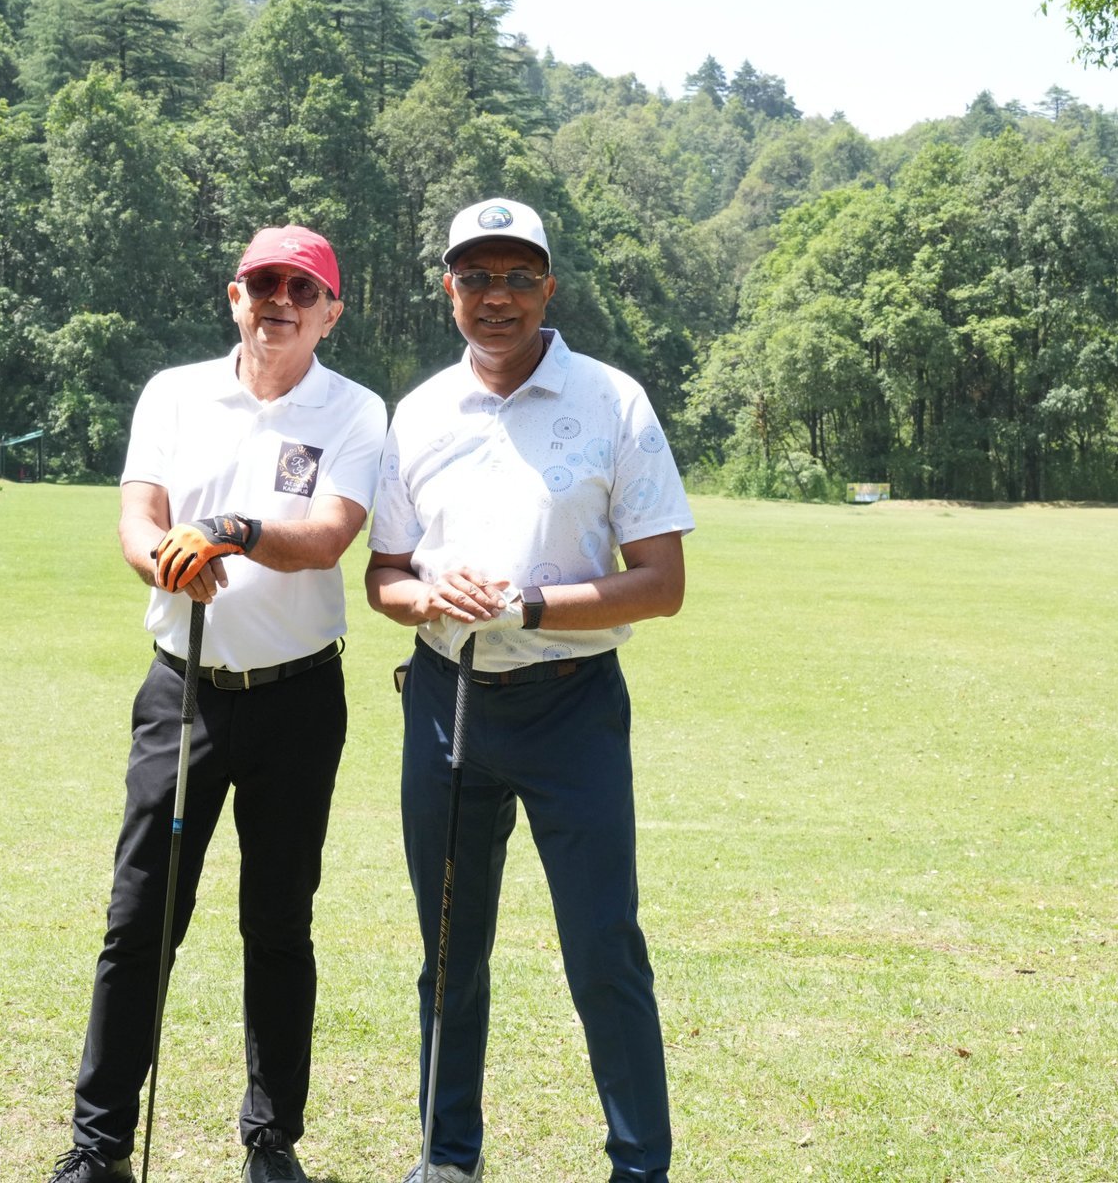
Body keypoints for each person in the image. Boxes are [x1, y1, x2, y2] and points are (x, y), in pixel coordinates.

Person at [48, 225, 387, 1183]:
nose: (279, 300)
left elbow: (328, 536)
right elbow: (137, 516)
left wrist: (231, 532)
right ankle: (100, 1147)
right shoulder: (174, 393)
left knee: (278, 923)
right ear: (234, 297)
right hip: (183, 692)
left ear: (330, 312)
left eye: (302, 288)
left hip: (298, 698)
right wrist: (166, 558)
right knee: (140, 919)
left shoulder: (356, 410)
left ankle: (271, 1142)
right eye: (262, 283)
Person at [366, 198, 694, 1183]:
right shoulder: (419, 412)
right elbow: (384, 577)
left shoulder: (613, 401)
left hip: (571, 709)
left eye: (516, 277)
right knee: (449, 950)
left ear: (549, 288)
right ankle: (446, 1160)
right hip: (447, 704)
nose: (496, 296)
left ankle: (639, 1167)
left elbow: (662, 583)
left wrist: (530, 604)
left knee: (602, 947)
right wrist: (430, 595)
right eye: (476, 277)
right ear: (449, 290)